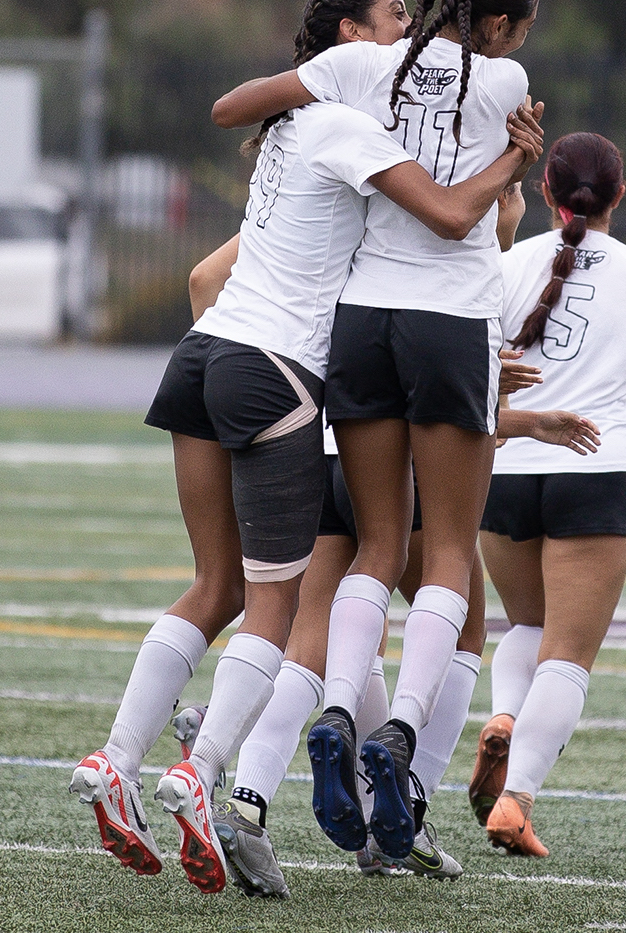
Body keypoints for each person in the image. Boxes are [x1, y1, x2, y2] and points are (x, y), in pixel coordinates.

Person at [69, 0, 544, 895]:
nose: (410, 28)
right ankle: (203, 776)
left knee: (213, 586)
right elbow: (453, 219)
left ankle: (112, 761)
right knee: (279, 607)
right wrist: (512, 164)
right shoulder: (355, 117)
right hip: (277, 369)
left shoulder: (295, 122)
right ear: (348, 36)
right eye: (393, 15)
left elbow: (212, 246)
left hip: (203, 356)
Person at [211, 0, 542, 862]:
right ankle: (395, 731)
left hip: (361, 318)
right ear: (507, 27)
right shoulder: (507, 76)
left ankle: (331, 710)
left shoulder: (359, 64)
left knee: (374, 542)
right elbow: (476, 214)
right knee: (447, 557)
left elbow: (239, 105)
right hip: (450, 318)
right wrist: (516, 150)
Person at [178, 183, 598, 893]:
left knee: (313, 640)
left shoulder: (335, 215)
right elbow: (453, 412)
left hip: (320, 442)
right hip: (404, 470)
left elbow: (204, 280)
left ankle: (243, 792)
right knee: (462, 623)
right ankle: (409, 803)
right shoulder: (460, 249)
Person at [471, 132, 626, 856]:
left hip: (506, 468)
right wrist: (608, 380)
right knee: (568, 655)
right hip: (594, 471)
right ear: (620, 196)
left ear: (544, 193)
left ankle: (503, 715)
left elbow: (476, 378)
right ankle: (518, 799)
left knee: (525, 628)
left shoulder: (504, 267)